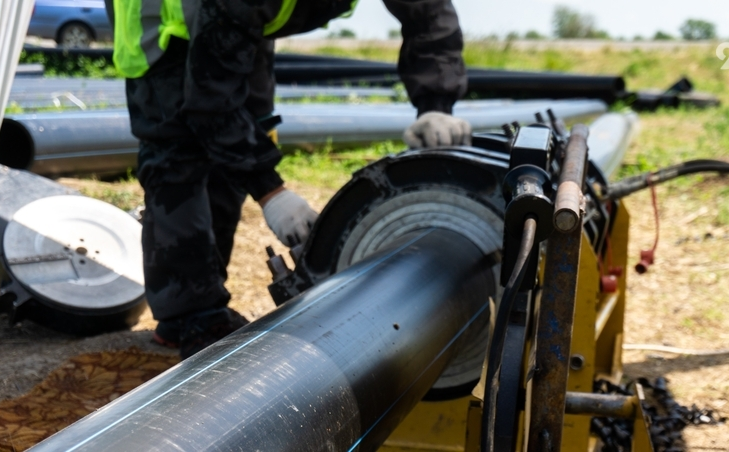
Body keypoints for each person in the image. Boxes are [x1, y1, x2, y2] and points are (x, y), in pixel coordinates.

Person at [106, 0, 472, 358]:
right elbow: (210, 103)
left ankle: (197, 298)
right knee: (175, 158)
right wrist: (272, 193)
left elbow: (428, 12)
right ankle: (190, 316)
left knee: (248, 130)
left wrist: (435, 107)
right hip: (161, 22)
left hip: (240, 20)